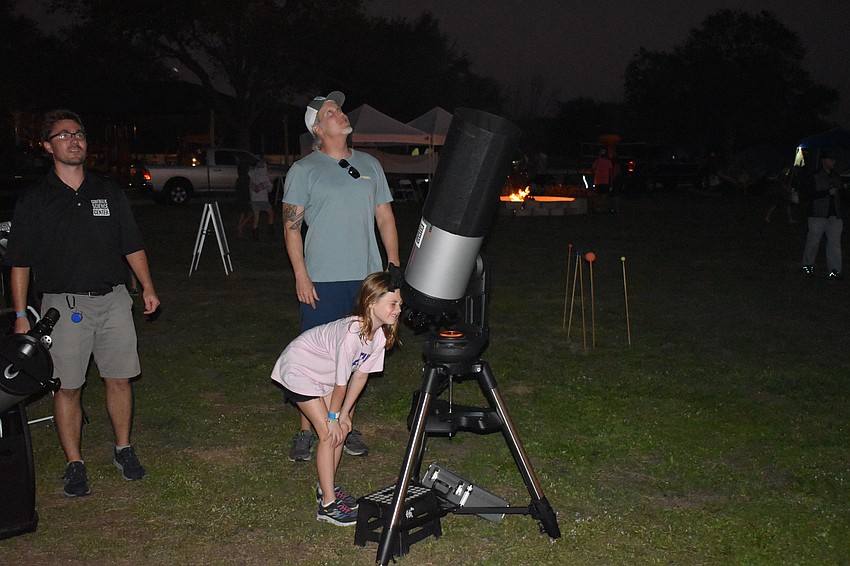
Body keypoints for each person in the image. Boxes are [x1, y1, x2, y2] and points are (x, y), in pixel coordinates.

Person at [4, 109, 161, 497]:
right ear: (47, 146)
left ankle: (123, 449)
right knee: (69, 387)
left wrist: (147, 286)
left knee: (120, 378)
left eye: (79, 133)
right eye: (63, 135)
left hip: (114, 301)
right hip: (63, 306)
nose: (74, 140)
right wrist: (22, 314)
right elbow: (19, 261)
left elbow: (132, 244)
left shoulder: (108, 191)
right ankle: (75, 463)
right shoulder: (36, 200)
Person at [281, 91, 400, 462]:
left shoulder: (370, 165)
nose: (340, 114)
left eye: (340, 109)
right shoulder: (303, 170)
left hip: (366, 279)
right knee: (317, 356)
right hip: (322, 278)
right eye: (331, 112)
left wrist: (393, 266)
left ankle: (345, 420)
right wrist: (301, 274)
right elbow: (291, 227)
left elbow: (385, 217)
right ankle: (308, 429)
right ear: (317, 128)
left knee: (354, 355)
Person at [270, 271, 402, 526]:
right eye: (393, 304)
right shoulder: (352, 334)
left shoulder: (380, 335)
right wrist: (332, 417)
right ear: (371, 303)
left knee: (342, 429)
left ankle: (326, 485)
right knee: (329, 434)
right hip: (299, 368)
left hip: (324, 373)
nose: (398, 310)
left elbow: (360, 377)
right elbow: (342, 384)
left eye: (400, 304)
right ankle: (327, 505)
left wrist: (344, 415)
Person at [801, 149, 843, 279]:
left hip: (834, 216)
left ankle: (834, 270)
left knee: (834, 244)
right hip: (817, 215)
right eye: (831, 159)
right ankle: (808, 266)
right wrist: (826, 192)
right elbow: (809, 194)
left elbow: (841, 194)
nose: (833, 161)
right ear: (824, 160)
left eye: (834, 159)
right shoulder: (816, 175)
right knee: (813, 242)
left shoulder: (836, 176)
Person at [249, 158, 275, 241]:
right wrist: (271, 181)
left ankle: (255, 236)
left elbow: (252, 188)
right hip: (262, 200)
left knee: (256, 217)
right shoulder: (264, 177)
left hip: (254, 200)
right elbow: (270, 189)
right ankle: (270, 232)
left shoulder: (253, 176)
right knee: (271, 214)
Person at [235, 159, 253, 238]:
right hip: (244, 198)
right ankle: (240, 227)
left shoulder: (238, 179)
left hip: (239, 198)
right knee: (250, 214)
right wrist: (249, 199)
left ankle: (240, 231)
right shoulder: (246, 178)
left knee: (242, 214)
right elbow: (247, 189)